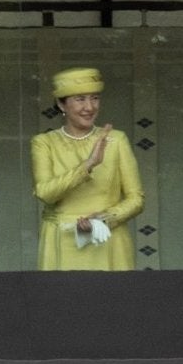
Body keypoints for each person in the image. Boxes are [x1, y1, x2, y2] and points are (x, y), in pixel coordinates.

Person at [31, 68, 143, 273]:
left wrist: (102, 220)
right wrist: (88, 165)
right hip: (62, 242)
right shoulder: (44, 143)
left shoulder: (116, 140)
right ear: (61, 104)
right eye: (80, 99)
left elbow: (136, 199)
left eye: (95, 98)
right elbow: (46, 194)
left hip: (108, 240)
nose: (89, 107)